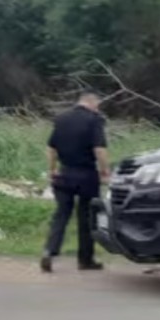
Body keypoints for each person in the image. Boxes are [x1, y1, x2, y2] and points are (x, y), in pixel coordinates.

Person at [41, 90, 111, 273]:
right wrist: (105, 171)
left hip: (64, 173)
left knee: (61, 214)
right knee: (87, 217)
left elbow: (51, 148)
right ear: (92, 103)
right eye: (97, 106)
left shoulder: (61, 119)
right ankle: (85, 259)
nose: (98, 109)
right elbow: (99, 149)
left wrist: (52, 169)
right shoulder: (94, 120)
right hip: (86, 174)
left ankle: (49, 250)